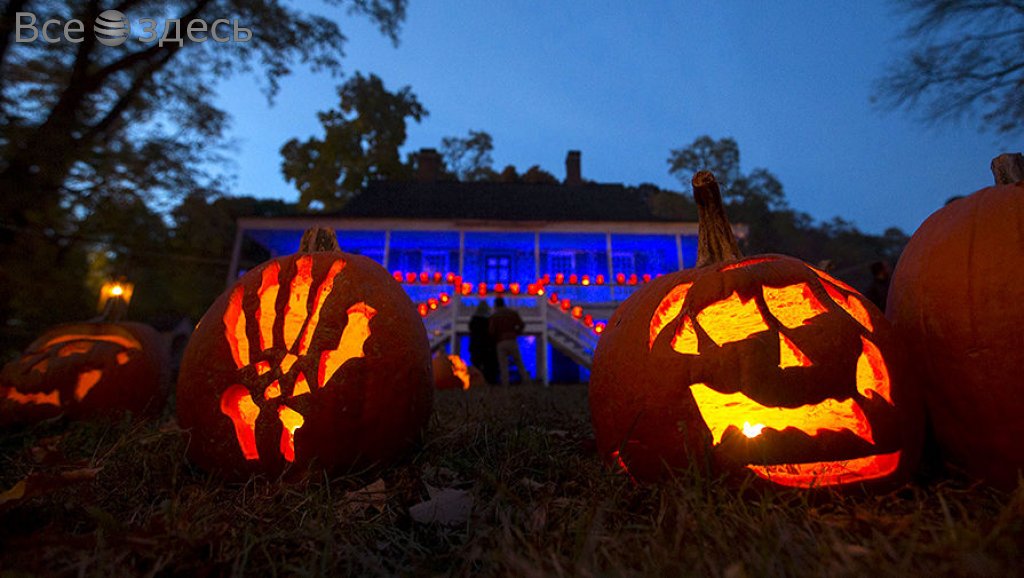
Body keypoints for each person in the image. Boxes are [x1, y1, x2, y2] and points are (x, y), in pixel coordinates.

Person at [488, 297, 533, 386]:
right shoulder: (512, 313)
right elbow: (521, 325)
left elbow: (491, 331)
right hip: (512, 340)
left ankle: (505, 384)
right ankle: (526, 381)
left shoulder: (494, 316)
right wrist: (517, 333)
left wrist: (495, 338)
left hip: (501, 341)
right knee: (519, 362)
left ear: (496, 305)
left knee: (503, 365)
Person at [468, 301, 498, 384]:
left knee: (476, 364)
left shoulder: (474, 320)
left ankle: (477, 382)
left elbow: (471, 330)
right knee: (488, 365)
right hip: (486, 346)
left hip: (475, 345)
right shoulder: (488, 320)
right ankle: (489, 382)